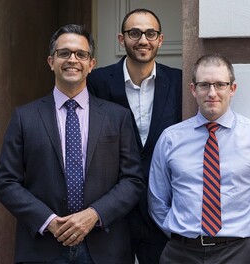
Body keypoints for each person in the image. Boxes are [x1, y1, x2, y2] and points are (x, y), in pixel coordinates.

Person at [0, 24, 145, 263]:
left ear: (91, 64)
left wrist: (94, 214)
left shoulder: (117, 117)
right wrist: (50, 222)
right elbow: (6, 182)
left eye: (81, 54)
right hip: (43, 247)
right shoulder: (25, 117)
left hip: (104, 248)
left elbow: (133, 180)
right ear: (51, 61)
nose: (72, 59)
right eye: (64, 53)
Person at [148, 53, 250, 264]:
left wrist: (249, 246)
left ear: (232, 89)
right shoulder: (170, 139)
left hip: (238, 252)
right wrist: (182, 237)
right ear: (193, 89)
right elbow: (157, 202)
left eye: (220, 85)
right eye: (204, 85)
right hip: (181, 254)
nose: (212, 93)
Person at [86, 8, 182, 264]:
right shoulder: (97, 81)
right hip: (113, 207)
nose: (143, 40)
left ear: (160, 39)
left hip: (162, 207)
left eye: (150, 34)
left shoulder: (179, 82)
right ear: (121, 39)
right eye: (135, 33)